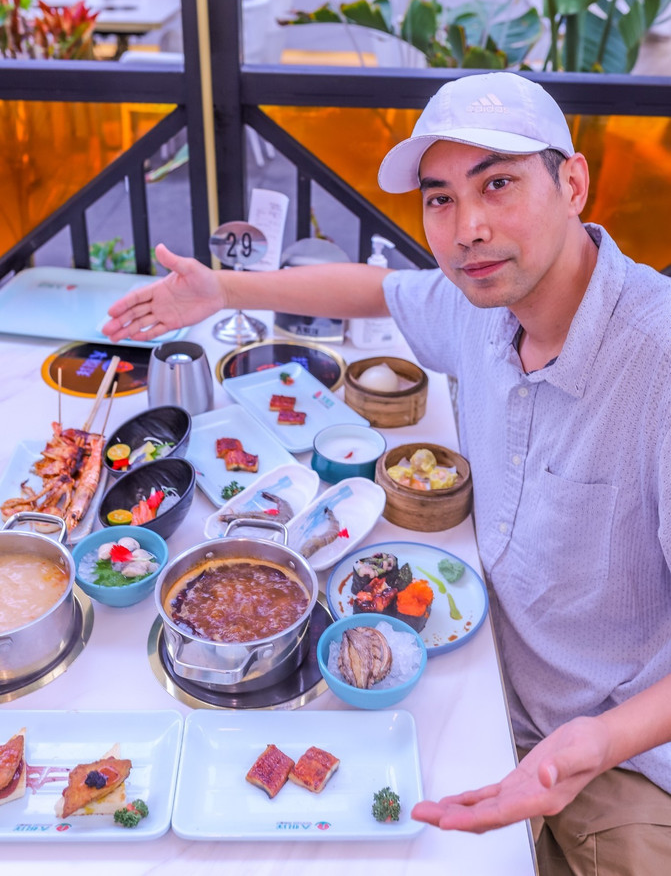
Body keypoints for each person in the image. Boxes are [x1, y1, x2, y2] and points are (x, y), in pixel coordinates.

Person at [103, 71, 671, 875]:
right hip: (473, 688)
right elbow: (379, 290)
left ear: (571, 183)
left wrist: (598, 741)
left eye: (497, 184)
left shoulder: (657, 358)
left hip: (621, 757)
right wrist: (223, 289)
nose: (467, 228)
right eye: (440, 199)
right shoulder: (481, 303)